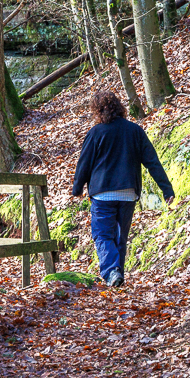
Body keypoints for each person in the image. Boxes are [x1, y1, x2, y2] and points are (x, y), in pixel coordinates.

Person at [70, 91, 175, 287]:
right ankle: (118, 276)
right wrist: (166, 189)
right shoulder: (135, 131)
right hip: (128, 193)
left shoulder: (96, 133)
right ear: (120, 108)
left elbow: (83, 164)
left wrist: (77, 189)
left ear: (97, 111)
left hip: (102, 194)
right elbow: (152, 162)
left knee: (102, 235)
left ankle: (111, 272)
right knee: (120, 237)